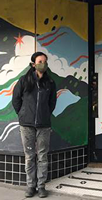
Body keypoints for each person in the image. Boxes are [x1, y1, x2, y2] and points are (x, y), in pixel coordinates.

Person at [12, 52, 57, 198]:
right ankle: (30, 186)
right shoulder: (24, 80)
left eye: (44, 61)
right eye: (40, 61)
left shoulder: (50, 83)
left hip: (44, 125)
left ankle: (41, 186)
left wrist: (44, 115)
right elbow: (16, 100)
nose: (43, 63)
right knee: (30, 156)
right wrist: (23, 115)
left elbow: (52, 103)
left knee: (42, 156)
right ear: (33, 64)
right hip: (27, 125)